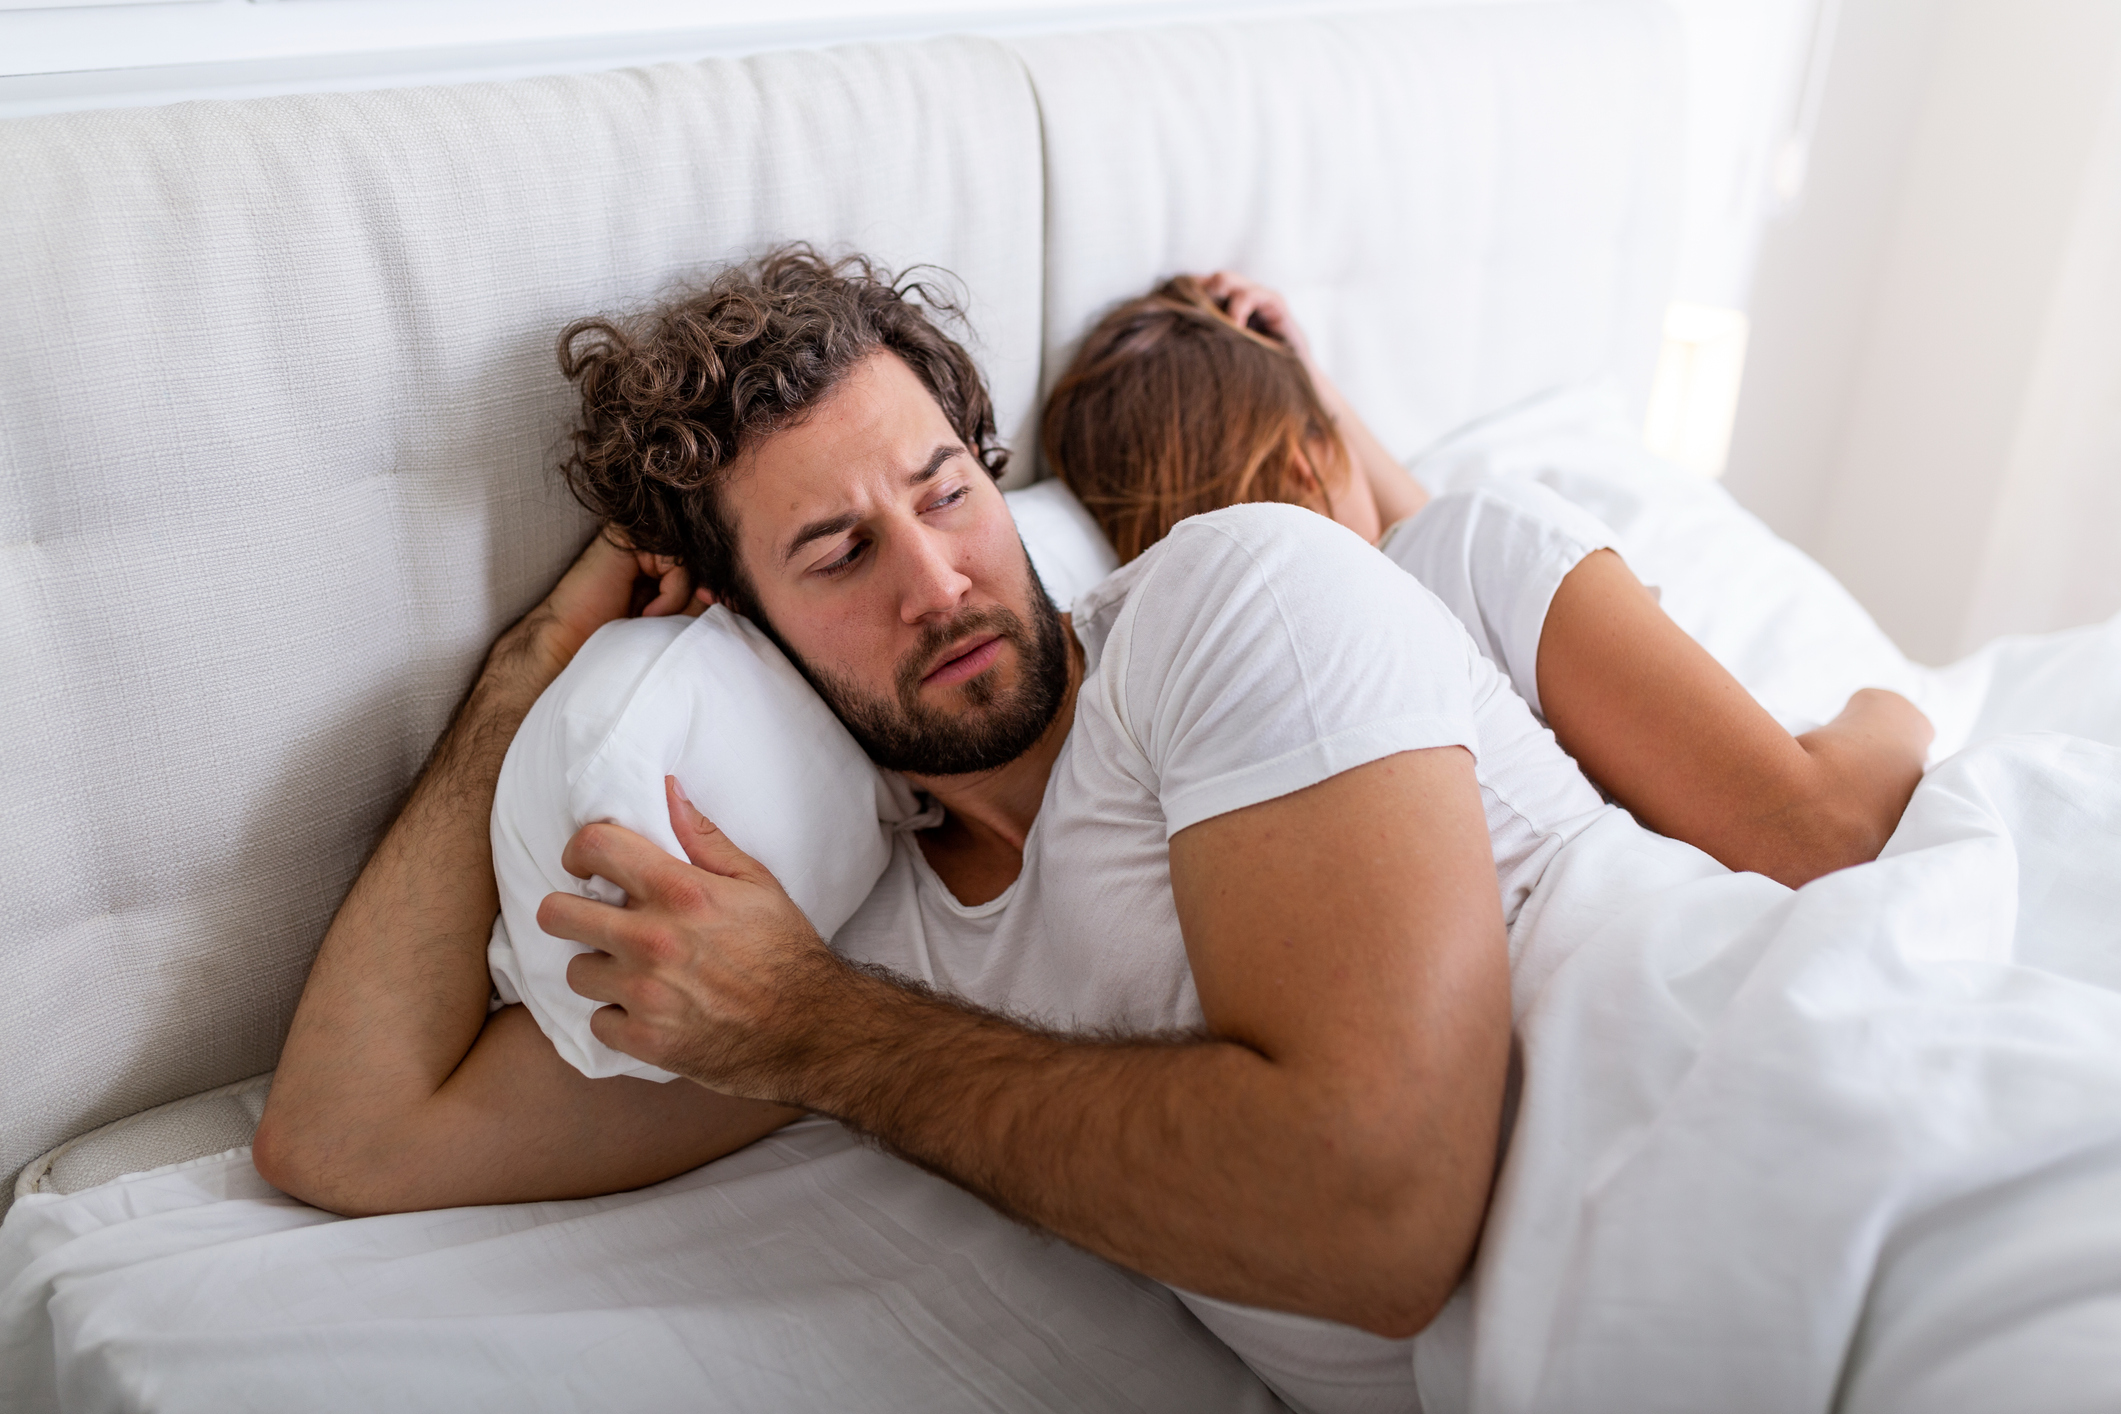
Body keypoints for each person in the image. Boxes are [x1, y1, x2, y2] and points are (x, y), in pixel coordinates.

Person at [254, 248, 1524, 1363]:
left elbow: (1380, 1226)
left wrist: (810, 1025)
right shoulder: (844, 943)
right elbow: (348, 1133)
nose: (936, 580)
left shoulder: (1236, 601)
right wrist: (525, 674)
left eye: (945, 492)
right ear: (745, 629)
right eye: (838, 553)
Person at [1041, 273, 1935, 888]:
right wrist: (1895, 705)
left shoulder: (1198, 709)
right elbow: (1823, 835)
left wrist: (1307, 396)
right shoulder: (1468, 548)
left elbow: (1425, 550)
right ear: (1313, 456)